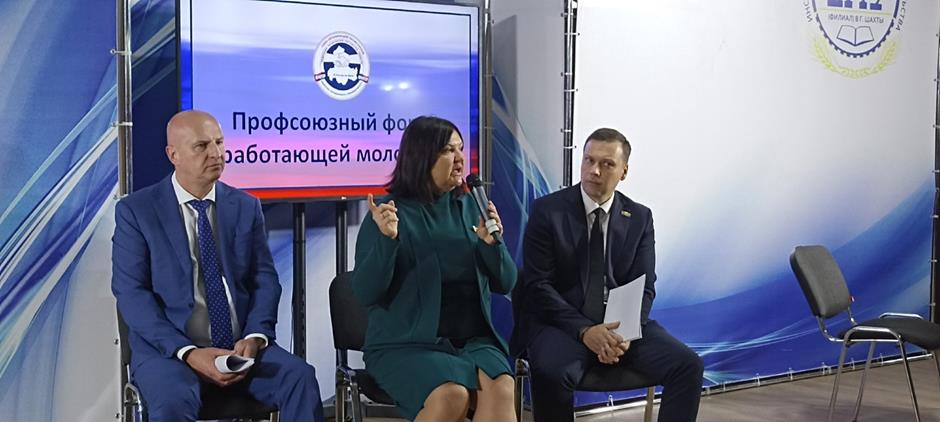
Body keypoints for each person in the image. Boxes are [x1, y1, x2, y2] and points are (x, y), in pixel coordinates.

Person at [111, 110, 324, 422]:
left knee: (300, 377)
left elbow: (264, 279)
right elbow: (131, 294)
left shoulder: (245, 205)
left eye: (219, 142)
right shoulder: (137, 211)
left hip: (240, 350)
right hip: (171, 354)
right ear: (173, 155)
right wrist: (188, 352)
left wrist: (255, 336)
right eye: (201, 146)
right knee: (171, 403)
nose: (216, 153)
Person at [511, 128, 704, 422]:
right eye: (588, 160)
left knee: (688, 365)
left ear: (624, 171)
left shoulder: (639, 217)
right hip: (561, 324)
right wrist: (585, 331)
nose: (594, 171)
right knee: (551, 372)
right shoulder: (548, 211)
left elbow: (644, 286)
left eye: (607, 164)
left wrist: (623, 334)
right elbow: (538, 286)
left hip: (619, 327)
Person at [352, 116, 517, 422]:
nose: (460, 159)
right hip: (406, 344)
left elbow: (506, 282)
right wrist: (388, 242)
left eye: (461, 149)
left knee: (503, 388)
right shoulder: (389, 214)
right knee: (451, 394)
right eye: (447, 151)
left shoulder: (473, 206)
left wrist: (492, 245)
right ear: (422, 157)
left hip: (473, 341)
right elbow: (365, 292)